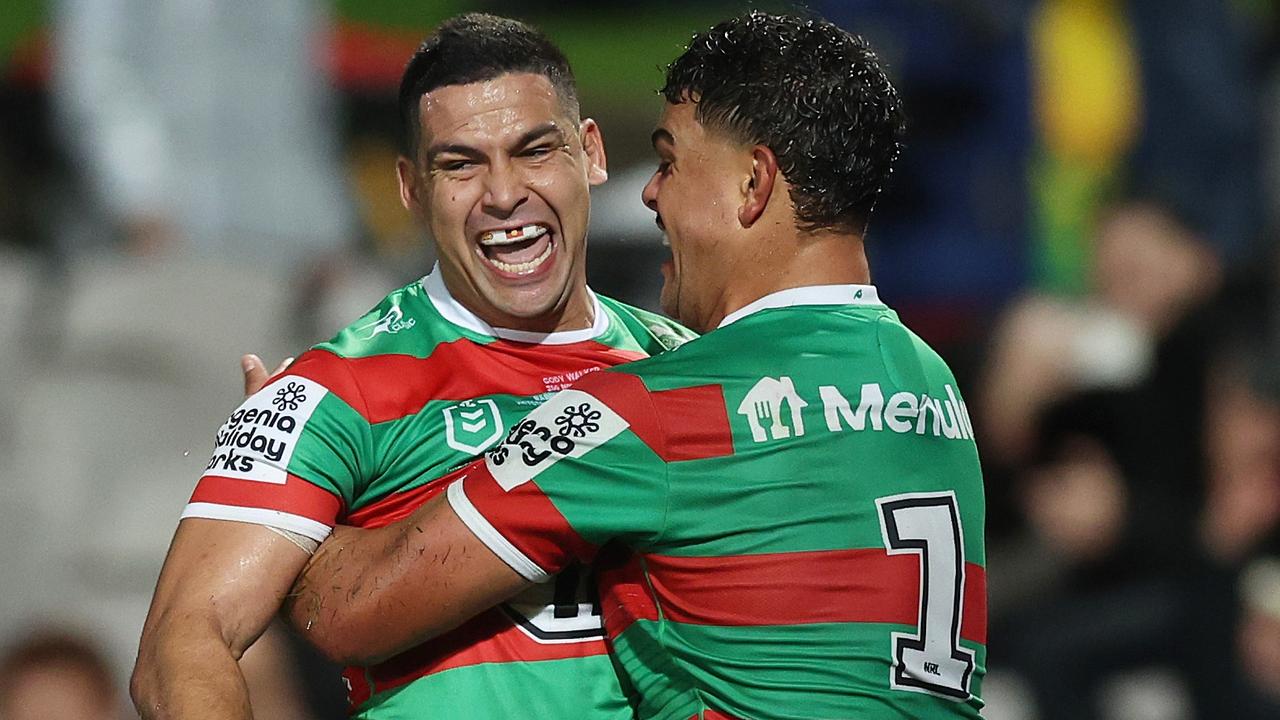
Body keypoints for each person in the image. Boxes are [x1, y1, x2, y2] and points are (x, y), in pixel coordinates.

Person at [283, 12, 987, 719]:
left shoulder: (657, 411)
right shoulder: (931, 382)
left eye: (671, 161)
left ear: (753, 183)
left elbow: (351, 611)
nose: (650, 194)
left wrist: (308, 450)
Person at [130, 14, 694, 720]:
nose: (503, 195)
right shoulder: (336, 389)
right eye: (460, 164)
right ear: (411, 188)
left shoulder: (681, 364)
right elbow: (183, 640)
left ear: (591, 153)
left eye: (534, 151)